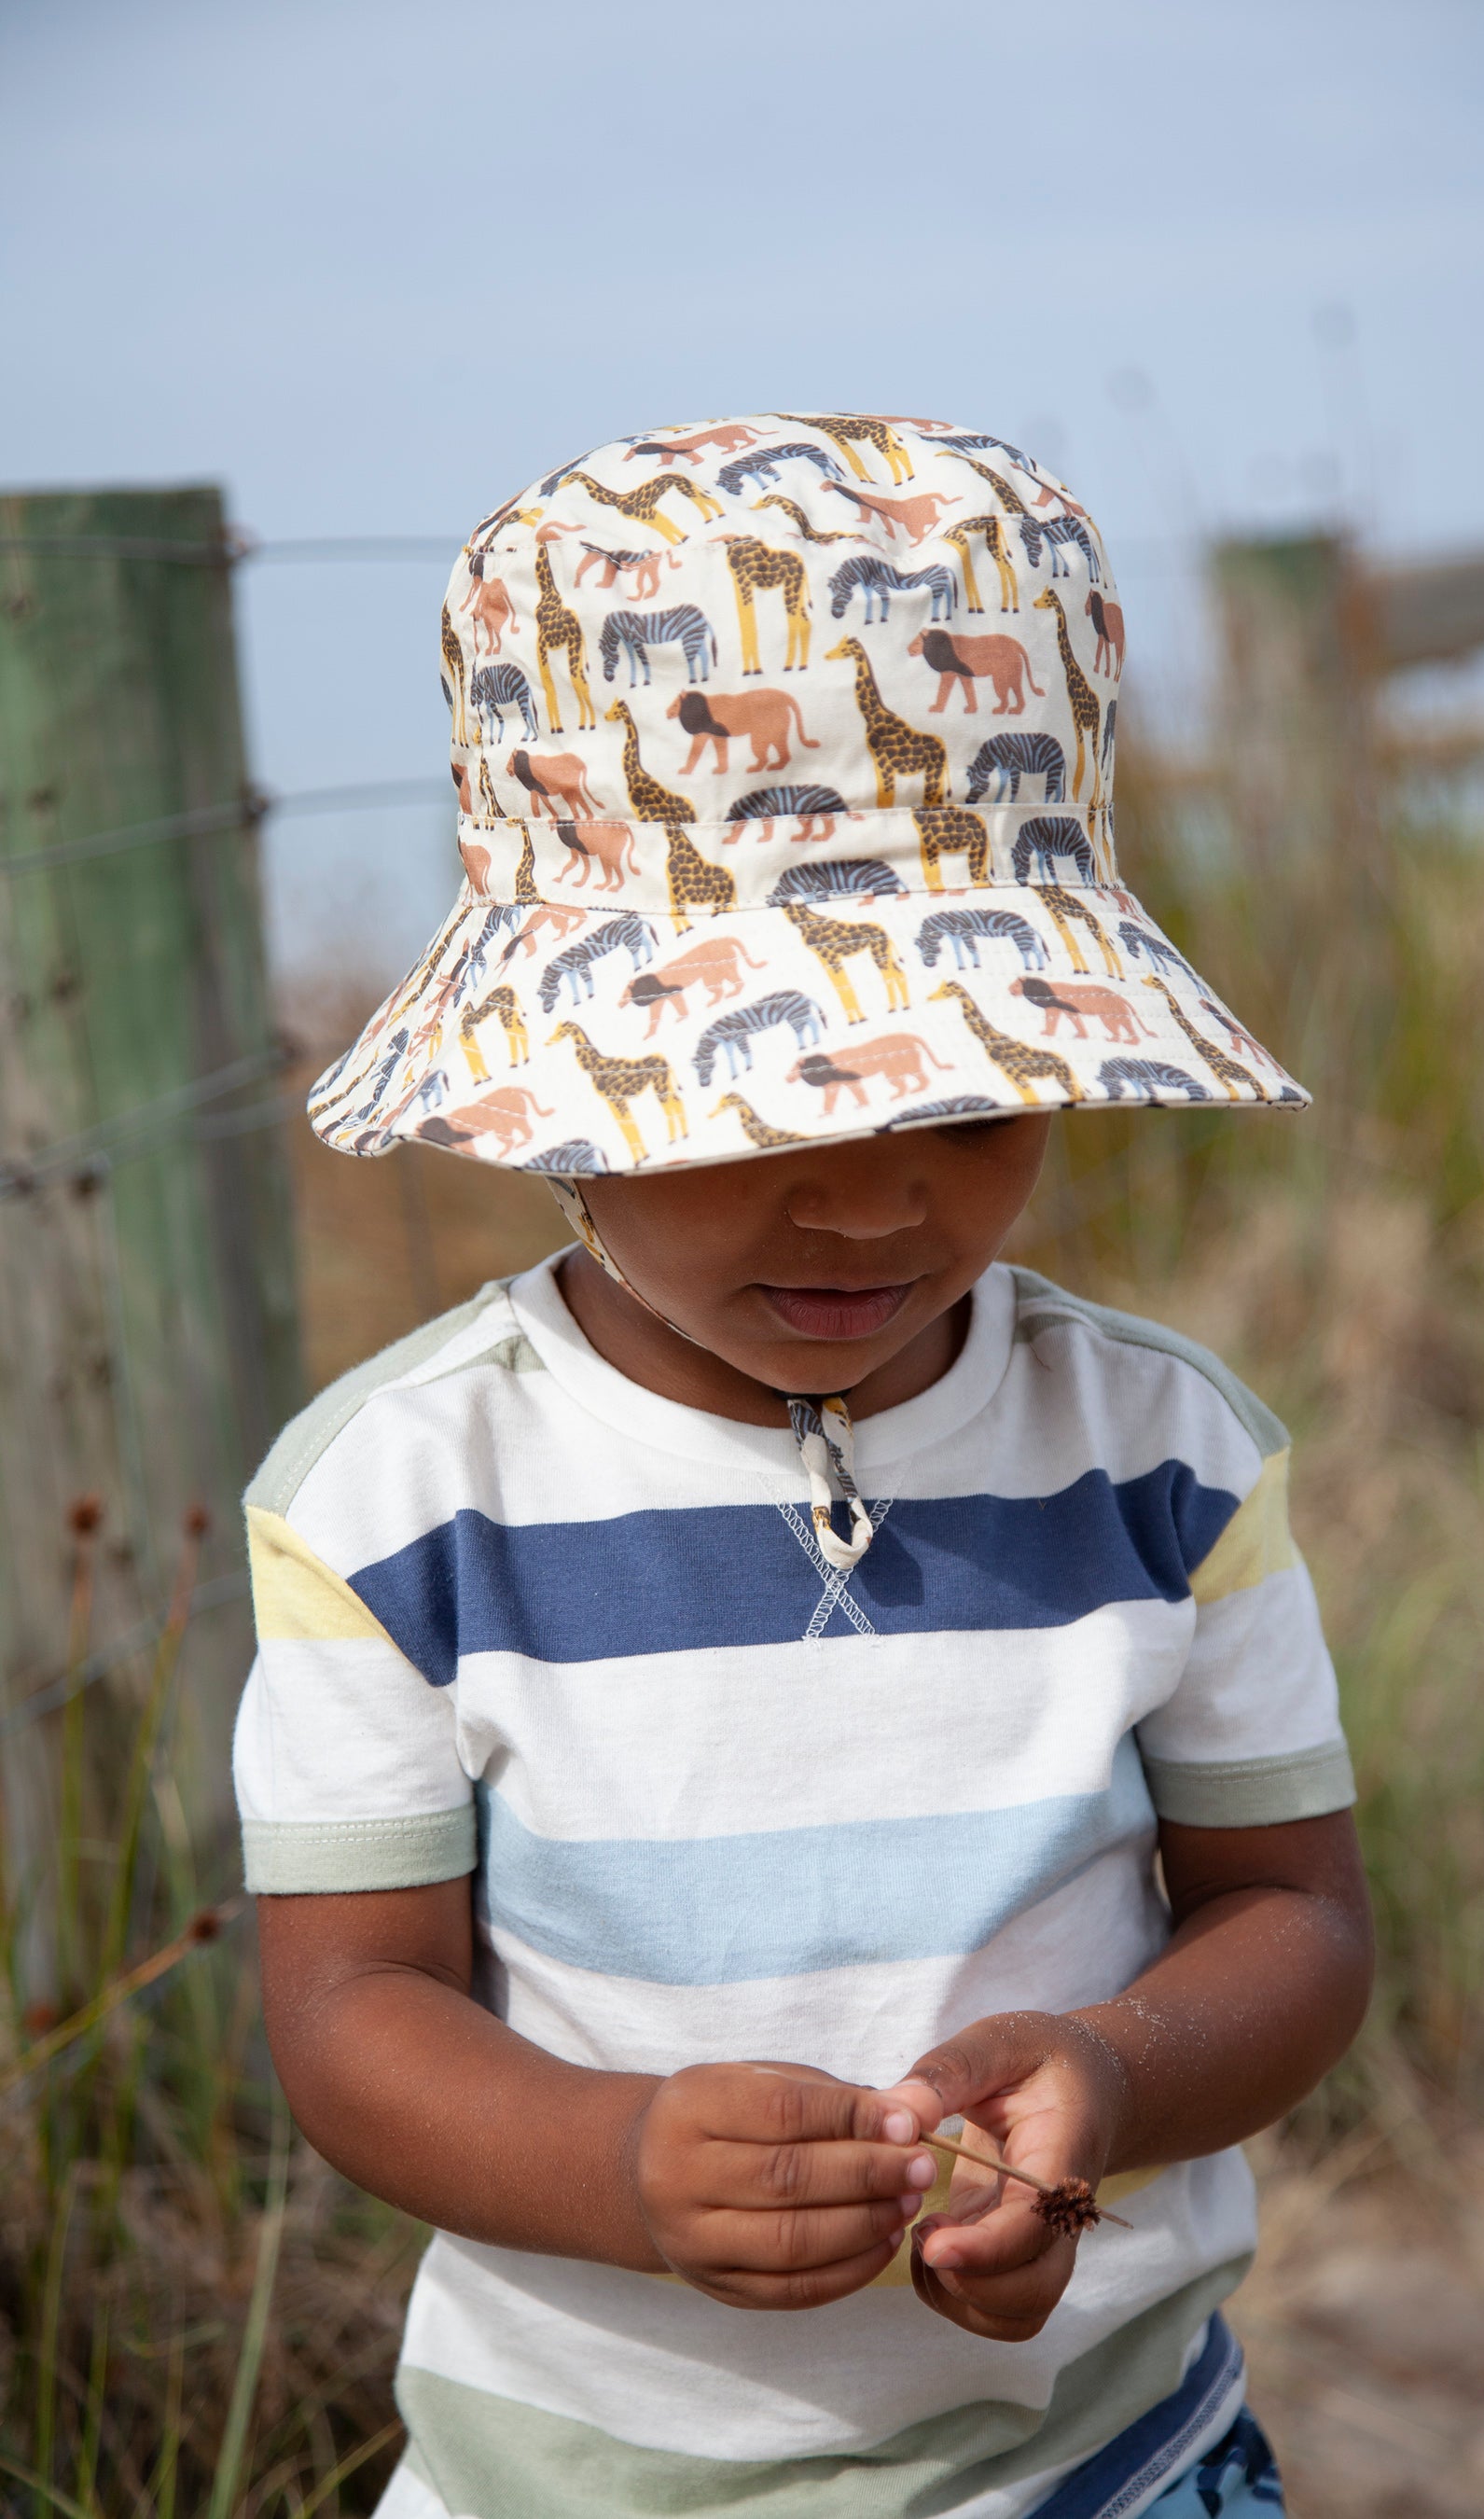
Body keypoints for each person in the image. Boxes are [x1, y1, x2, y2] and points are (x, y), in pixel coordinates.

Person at [238, 413, 1372, 2519]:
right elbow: (351, 2005)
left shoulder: (1164, 1458)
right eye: (760, 1111)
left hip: (1116, 2461)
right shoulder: (401, 1507)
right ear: (558, 1094)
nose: (868, 1207)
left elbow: (1293, 1918)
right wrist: (616, 2167)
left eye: (970, 1108)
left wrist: (1113, 2080)